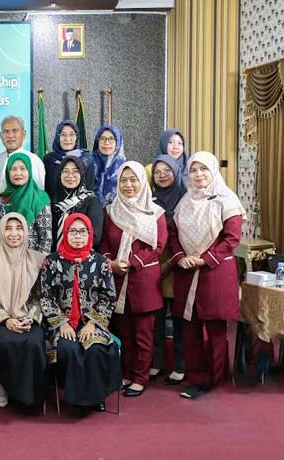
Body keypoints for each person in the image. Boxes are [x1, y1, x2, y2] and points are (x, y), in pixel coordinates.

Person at [169, 152, 245, 400]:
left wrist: (205, 258)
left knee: (215, 329)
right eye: (193, 170)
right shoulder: (184, 202)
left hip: (214, 272)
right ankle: (196, 378)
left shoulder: (227, 200)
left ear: (213, 171)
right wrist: (181, 256)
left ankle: (215, 378)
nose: (198, 174)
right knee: (189, 330)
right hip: (187, 271)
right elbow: (172, 235)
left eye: (204, 169)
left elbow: (232, 238)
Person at [40, 213, 121, 411]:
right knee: (68, 349)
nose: (78, 236)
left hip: (92, 322)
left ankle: (96, 397)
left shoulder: (101, 262)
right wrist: (61, 323)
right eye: (73, 232)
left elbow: (108, 297)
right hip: (62, 323)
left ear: (90, 234)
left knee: (95, 348)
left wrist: (93, 323)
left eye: (82, 232)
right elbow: (45, 297)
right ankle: (76, 399)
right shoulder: (51, 262)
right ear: (65, 234)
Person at [99, 161, 167, 397]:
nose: (128, 185)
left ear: (142, 182)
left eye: (133, 180)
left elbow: (158, 245)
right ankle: (126, 373)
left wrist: (134, 262)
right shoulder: (110, 210)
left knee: (143, 334)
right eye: (123, 180)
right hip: (118, 278)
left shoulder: (155, 213)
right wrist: (111, 262)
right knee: (124, 332)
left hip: (144, 279)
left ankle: (140, 377)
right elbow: (105, 243)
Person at [0, 213, 47, 409]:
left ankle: (31, 395)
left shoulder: (38, 259)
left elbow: (40, 297)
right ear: (1, 232)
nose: (14, 233)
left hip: (27, 315)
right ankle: (3, 382)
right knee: (7, 341)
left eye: (19, 228)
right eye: (8, 228)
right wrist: (6, 319)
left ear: (26, 232)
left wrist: (31, 318)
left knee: (34, 341)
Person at [149, 155, 187, 385]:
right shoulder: (149, 200)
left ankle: (180, 364)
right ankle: (156, 361)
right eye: (157, 172)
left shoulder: (185, 200)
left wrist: (173, 261)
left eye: (167, 170)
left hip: (179, 264)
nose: (162, 174)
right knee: (156, 319)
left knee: (180, 319)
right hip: (154, 266)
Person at [0, 153, 52, 253]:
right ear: (8, 173)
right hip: (5, 259)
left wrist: (38, 264)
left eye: (23, 168)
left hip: (32, 261)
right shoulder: (1, 199)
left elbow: (46, 239)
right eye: (13, 169)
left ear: (29, 171)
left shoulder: (40, 198)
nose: (18, 173)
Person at [51, 155, 103, 251]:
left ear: (82, 174)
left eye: (75, 171)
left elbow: (95, 237)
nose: (70, 176)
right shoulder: (53, 200)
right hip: (55, 258)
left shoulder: (91, 201)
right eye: (65, 171)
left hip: (81, 257)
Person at [0, 116, 45, 197]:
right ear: (1, 135)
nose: (10, 135)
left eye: (15, 131)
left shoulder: (34, 161)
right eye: (6, 131)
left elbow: (40, 192)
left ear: (23, 134)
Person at [43, 120, 95, 200]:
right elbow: (46, 188)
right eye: (63, 135)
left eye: (71, 135)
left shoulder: (86, 159)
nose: (67, 139)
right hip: (53, 208)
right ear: (58, 137)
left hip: (81, 207)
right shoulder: (49, 160)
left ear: (76, 137)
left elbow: (90, 188)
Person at [92, 124, 126, 206]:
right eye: (102, 139)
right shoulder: (88, 165)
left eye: (111, 139)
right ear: (97, 142)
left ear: (118, 142)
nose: (106, 143)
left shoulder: (125, 168)